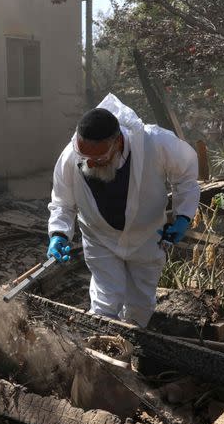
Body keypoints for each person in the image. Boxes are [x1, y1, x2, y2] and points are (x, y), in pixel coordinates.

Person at [47, 93, 200, 327]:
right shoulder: (70, 157)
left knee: (141, 306)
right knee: (105, 303)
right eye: (84, 156)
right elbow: (62, 203)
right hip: (100, 238)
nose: (89, 163)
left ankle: (132, 348)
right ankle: (104, 350)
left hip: (147, 237)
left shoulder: (154, 142)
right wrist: (58, 233)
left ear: (117, 142)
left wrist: (183, 216)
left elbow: (186, 176)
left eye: (98, 158)